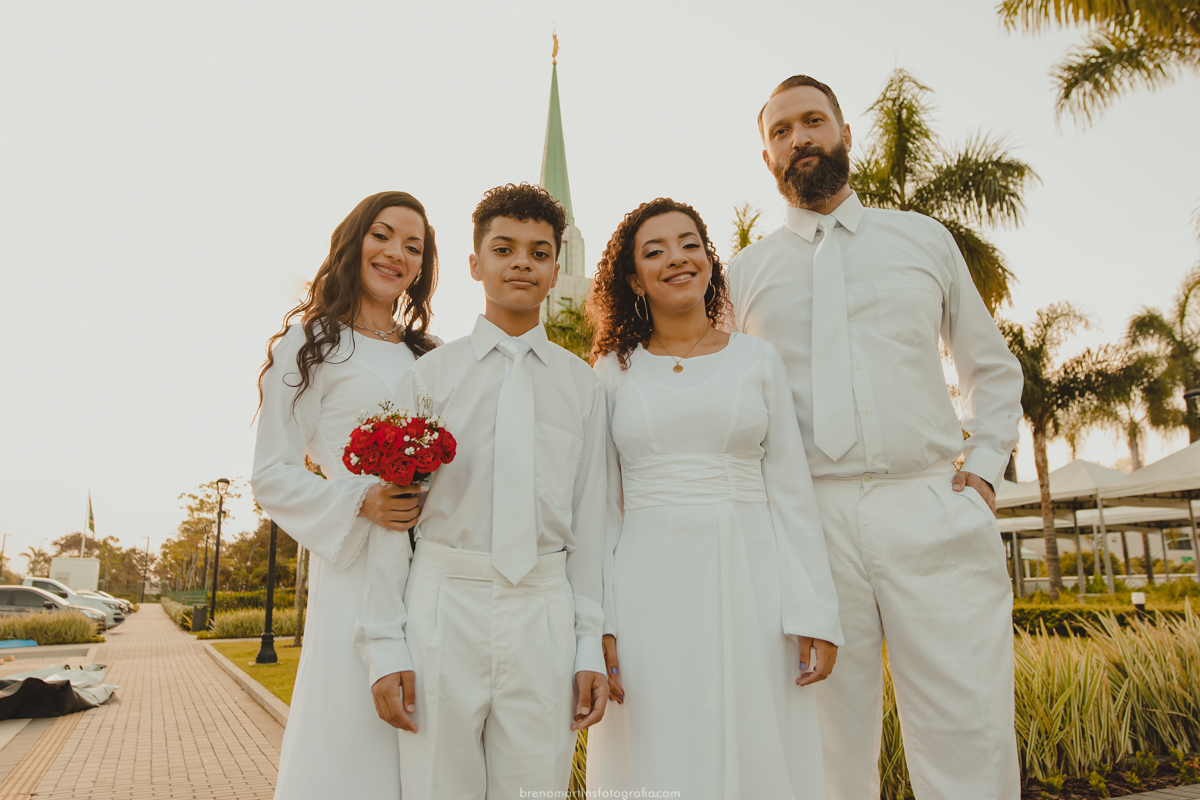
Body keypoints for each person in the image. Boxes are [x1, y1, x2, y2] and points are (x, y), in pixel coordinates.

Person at [727, 75, 1025, 799]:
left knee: (969, 725)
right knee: (823, 740)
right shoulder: (742, 275)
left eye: (813, 121)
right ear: (767, 158)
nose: (799, 138)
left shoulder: (923, 239)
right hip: (808, 525)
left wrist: (982, 473)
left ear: (844, 134)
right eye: (781, 131)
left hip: (927, 503)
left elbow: (991, 365)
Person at [354, 183, 609, 800]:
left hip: (544, 607)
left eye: (539, 252)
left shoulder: (583, 387)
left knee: (537, 788)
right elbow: (393, 519)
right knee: (437, 784)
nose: (521, 261)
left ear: (556, 269)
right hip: (444, 604)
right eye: (504, 248)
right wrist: (385, 644)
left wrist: (589, 644)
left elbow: (594, 520)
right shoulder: (430, 376)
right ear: (475, 263)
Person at [583, 198, 843, 799]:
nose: (677, 258)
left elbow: (791, 491)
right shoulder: (612, 371)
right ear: (633, 279)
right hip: (645, 585)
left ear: (708, 259)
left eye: (689, 243)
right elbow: (600, 506)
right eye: (655, 251)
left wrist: (814, 612)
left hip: (751, 580)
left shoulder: (758, 359)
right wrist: (599, 621)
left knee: (754, 738)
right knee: (660, 741)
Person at [252, 191, 440, 800]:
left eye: (413, 246)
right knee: (351, 740)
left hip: (434, 570)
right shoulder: (312, 343)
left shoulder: (430, 356)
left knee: (429, 735)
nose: (396, 254)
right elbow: (271, 472)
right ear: (354, 240)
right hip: (355, 567)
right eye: (383, 236)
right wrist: (361, 500)